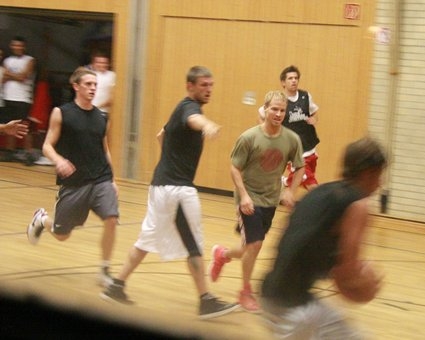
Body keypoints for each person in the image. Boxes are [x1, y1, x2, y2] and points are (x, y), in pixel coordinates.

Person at [100, 66, 239, 320]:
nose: (208, 89)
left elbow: (160, 135)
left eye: (211, 85)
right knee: (193, 243)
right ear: (190, 86)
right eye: (203, 85)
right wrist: (206, 125)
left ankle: (116, 286)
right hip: (177, 189)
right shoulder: (189, 108)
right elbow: (193, 120)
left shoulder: (181, 108)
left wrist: (169, 161)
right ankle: (205, 301)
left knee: (147, 239)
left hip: (163, 185)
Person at [260, 137, 386, 339]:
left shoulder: (319, 193)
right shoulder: (359, 206)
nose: (380, 183)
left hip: (270, 295)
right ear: (368, 173)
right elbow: (347, 274)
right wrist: (365, 283)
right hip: (295, 312)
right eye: (379, 175)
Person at [208, 90, 305, 313]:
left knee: (247, 249)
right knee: (255, 245)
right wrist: (243, 196)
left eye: (282, 110)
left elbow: (300, 166)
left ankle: (221, 254)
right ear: (265, 109)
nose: (278, 114)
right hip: (249, 199)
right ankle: (245, 293)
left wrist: (291, 191)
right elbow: (234, 167)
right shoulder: (249, 137)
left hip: (270, 200)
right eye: (274, 109)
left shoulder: (291, 139)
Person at [26, 67, 119, 288]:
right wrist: (59, 160)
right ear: (76, 86)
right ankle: (42, 220)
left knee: (112, 219)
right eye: (88, 84)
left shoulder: (102, 117)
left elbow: (105, 149)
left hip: (101, 179)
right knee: (61, 235)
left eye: (95, 85)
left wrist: (113, 180)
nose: (93, 88)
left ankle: (105, 269)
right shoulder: (61, 113)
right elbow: (47, 145)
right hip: (74, 184)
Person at [258, 65, 320, 191]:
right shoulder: (279, 100)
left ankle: (286, 181)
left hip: (310, 146)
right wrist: (266, 134)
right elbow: (260, 113)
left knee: (304, 179)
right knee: (312, 186)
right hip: (294, 150)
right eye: (290, 78)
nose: (294, 80)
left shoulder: (305, 96)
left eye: (296, 78)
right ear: (283, 82)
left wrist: (314, 119)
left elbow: (314, 112)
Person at [2, 36, 37, 165]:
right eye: (15, 45)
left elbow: (23, 77)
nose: (17, 47)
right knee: (9, 125)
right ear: (12, 46)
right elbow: (4, 78)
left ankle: (29, 153)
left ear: (24, 46)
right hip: (8, 97)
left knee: (24, 126)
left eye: (19, 45)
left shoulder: (30, 60)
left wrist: (10, 74)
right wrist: (14, 76)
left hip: (22, 98)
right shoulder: (7, 60)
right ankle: (10, 151)